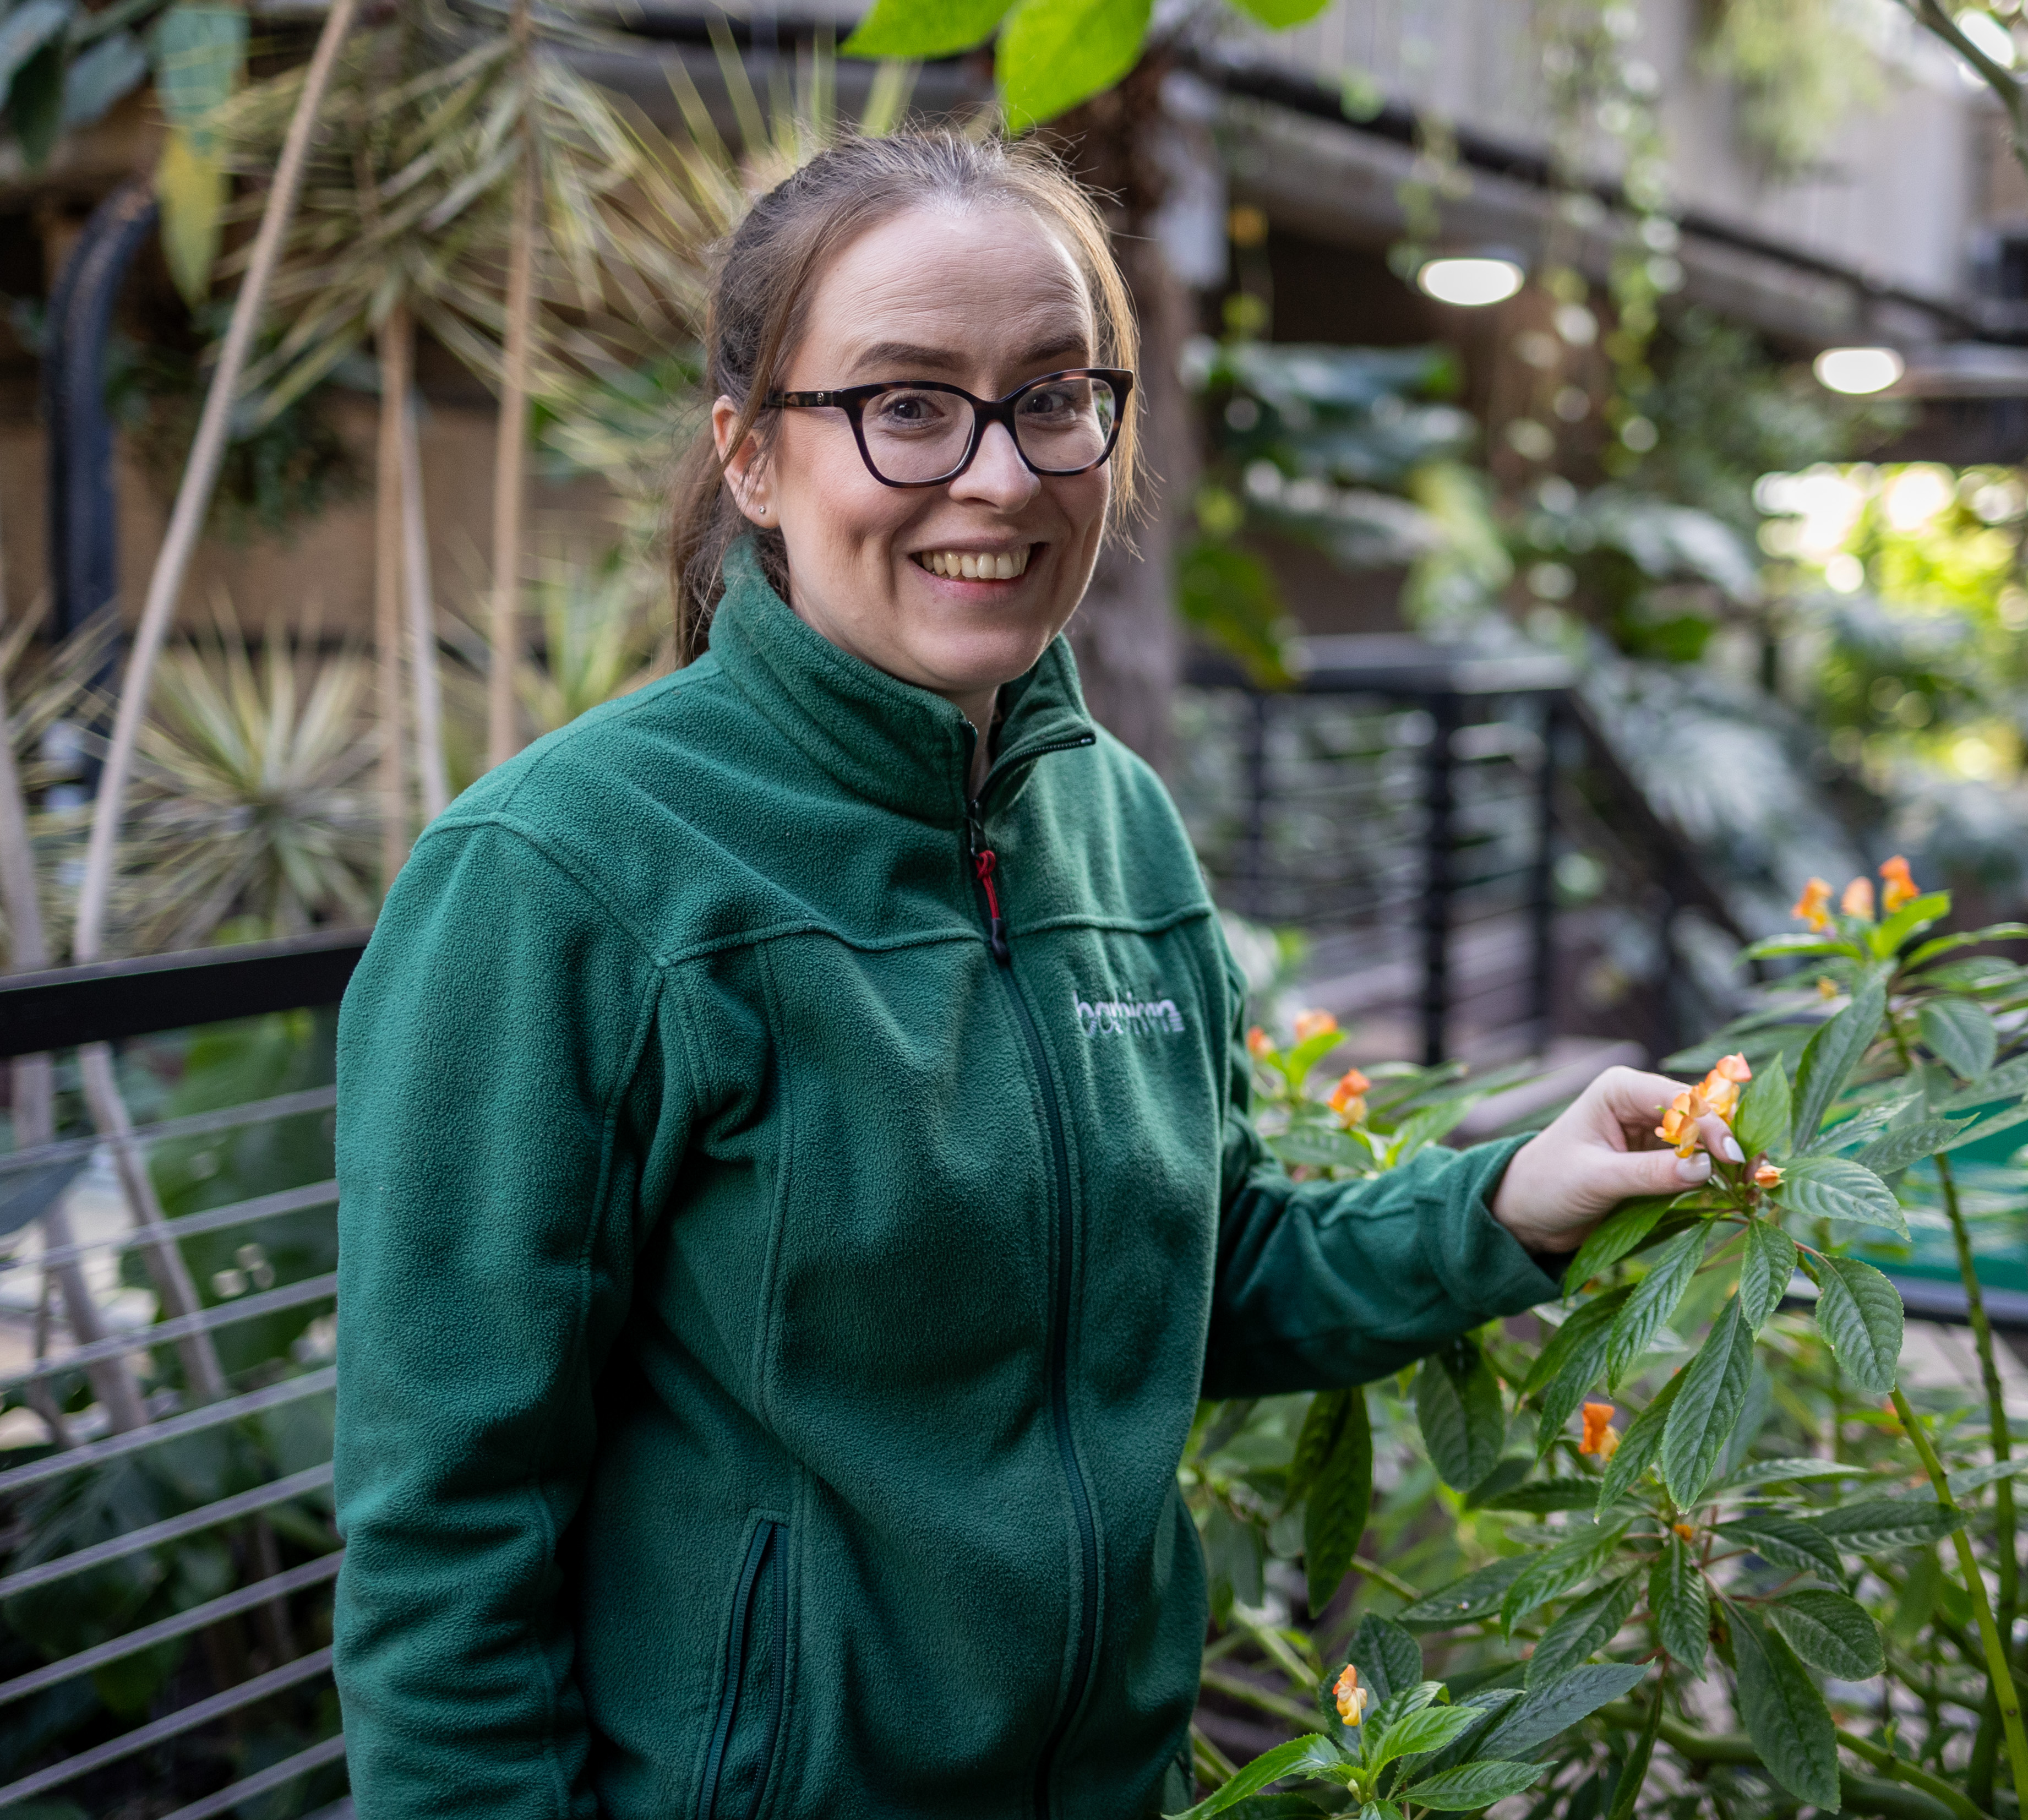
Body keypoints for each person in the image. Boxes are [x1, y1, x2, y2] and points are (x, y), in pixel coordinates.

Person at [331, 128, 1738, 1820]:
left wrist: (1512, 1196)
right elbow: (447, 1537)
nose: (998, 475)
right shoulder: (561, 875)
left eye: (1054, 396)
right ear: (753, 458)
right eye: (907, 402)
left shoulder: (1116, 827)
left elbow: (1193, 1282)